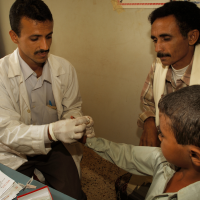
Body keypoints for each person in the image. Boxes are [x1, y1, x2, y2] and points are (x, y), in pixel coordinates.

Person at [0, 0, 94, 199]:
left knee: (71, 195)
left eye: (49, 36)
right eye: (35, 38)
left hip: (55, 147)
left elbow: (72, 106)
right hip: (13, 152)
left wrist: (75, 121)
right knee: (15, 195)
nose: (45, 46)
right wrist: (52, 131)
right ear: (14, 36)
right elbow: (7, 132)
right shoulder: (1, 75)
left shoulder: (65, 69)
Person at [82, 85, 200, 200]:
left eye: (163, 135)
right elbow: (128, 155)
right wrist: (88, 140)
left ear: (195, 155)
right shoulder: (165, 161)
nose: (158, 137)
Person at [138, 1, 200, 147]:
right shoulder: (158, 65)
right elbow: (148, 102)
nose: (157, 48)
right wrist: (149, 121)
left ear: (192, 37)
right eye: (155, 40)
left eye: (166, 39)